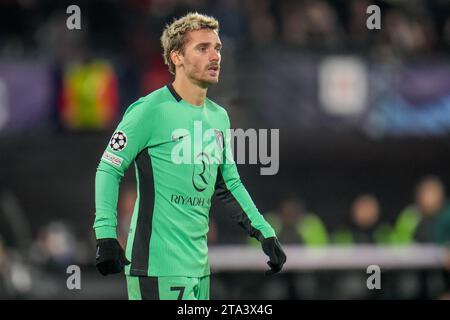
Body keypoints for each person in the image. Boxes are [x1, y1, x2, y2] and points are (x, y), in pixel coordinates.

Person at [93, 12, 286, 300]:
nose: (215, 56)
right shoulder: (150, 110)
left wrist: (264, 231)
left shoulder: (219, 117)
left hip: (199, 268)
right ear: (177, 57)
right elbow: (109, 168)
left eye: (217, 48)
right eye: (202, 48)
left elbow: (228, 184)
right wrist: (106, 234)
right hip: (157, 267)